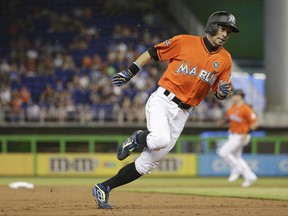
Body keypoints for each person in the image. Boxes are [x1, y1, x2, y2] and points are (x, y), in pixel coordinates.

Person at [92, 11, 239, 209]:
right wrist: (130, 71)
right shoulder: (185, 41)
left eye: (229, 32)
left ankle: (103, 187)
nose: (225, 34)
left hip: (184, 113)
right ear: (212, 27)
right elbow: (153, 52)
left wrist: (223, 92)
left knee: (147, 164)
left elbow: (221, 92)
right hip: (163, 100)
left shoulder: (225, 59)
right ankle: (137, 138)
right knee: (159, 140)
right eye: (223, 29)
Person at [217, 89, 259, 187]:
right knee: (237, 157)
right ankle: (250, 176)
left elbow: (255, 123)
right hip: (233, 135)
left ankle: (236, 168)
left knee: (223, 152)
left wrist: (247, 132)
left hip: (241, 135)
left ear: (241, 96)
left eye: (236, 95)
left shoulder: (246, 108)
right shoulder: (233, 107)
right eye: (233, 95)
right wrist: (222, 122)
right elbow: (227, 118)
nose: (234, 97)